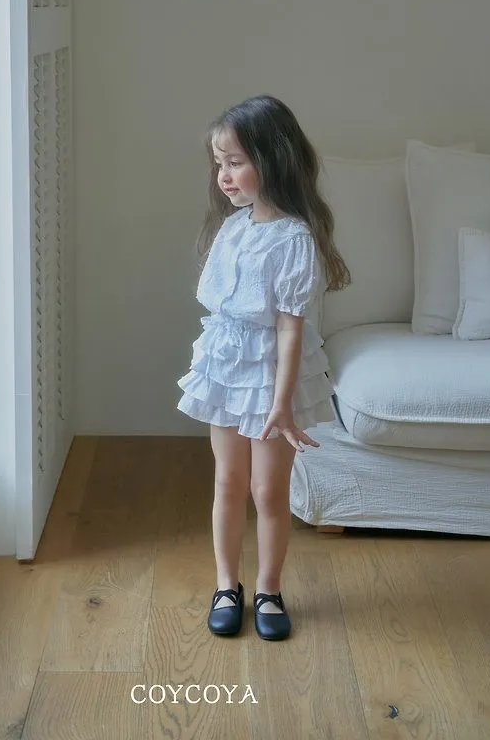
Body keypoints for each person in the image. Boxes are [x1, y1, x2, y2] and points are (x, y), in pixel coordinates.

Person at [177, 95, 350, 641]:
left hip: (273, 375)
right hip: (228, 366)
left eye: (235, 162)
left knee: (268, 491)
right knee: (227, 482)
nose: (224, 176)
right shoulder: (232, 227)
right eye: (219, 164)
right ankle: (226, 584)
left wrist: (281, 403)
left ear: (272, 160)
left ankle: (269, 588)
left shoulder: (294, 239)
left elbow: (290, 328)